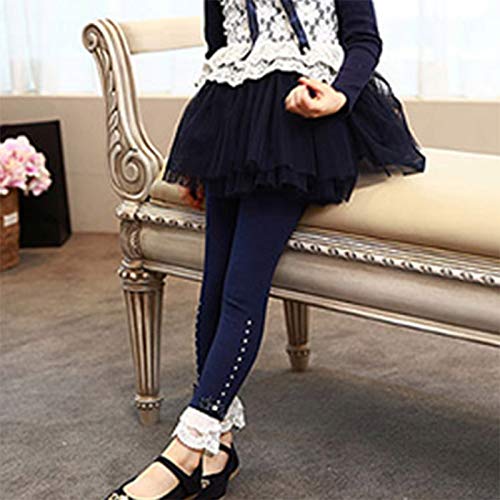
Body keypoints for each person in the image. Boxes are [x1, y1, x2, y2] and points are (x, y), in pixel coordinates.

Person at [107, 1, 426, 498]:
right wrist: (206, 150)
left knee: (241, 290)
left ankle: (186, 447)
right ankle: (219, 446)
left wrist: (339, 96)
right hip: (231, 116)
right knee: (213, 290)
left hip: (303, 120)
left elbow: (364, 39)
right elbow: (220, 44)